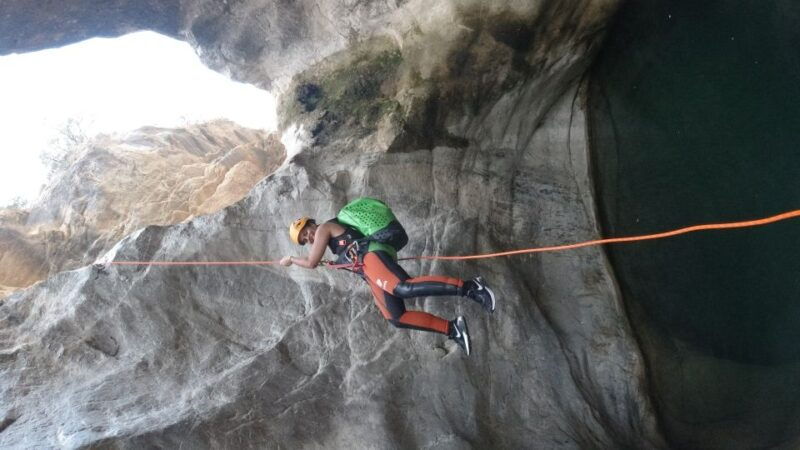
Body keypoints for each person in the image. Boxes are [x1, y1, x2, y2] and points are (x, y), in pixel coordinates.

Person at [280, 202, 496, 356]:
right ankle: (452, 329)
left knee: (403, 288)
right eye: (304, 239)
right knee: (396, 317)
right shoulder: (332, 244)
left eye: (305, 232)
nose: (308, 237)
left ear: (310, 223)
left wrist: (291, 259)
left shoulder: (325, 228)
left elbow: (311, 262)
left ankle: (471, 287)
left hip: (372, 256)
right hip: (369, 271)